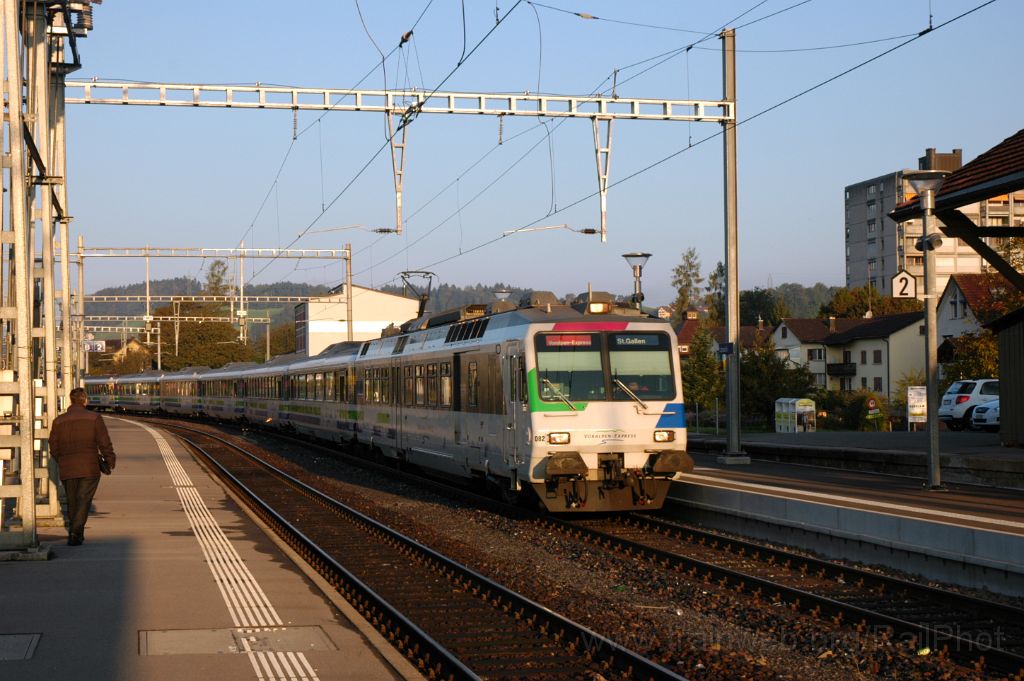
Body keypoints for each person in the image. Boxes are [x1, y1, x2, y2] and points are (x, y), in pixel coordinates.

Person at [49, 387, 116, 546]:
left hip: (67, 467)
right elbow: (104, 441)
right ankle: (75, 532)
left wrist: (61, 459)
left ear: (71, 401)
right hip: (89, 467)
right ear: (84, 400)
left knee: (73, 500)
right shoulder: (94, 418)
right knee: (84, 499)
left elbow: (53, 445)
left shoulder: (58, 421)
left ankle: (75, 531)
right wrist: (110, 459)